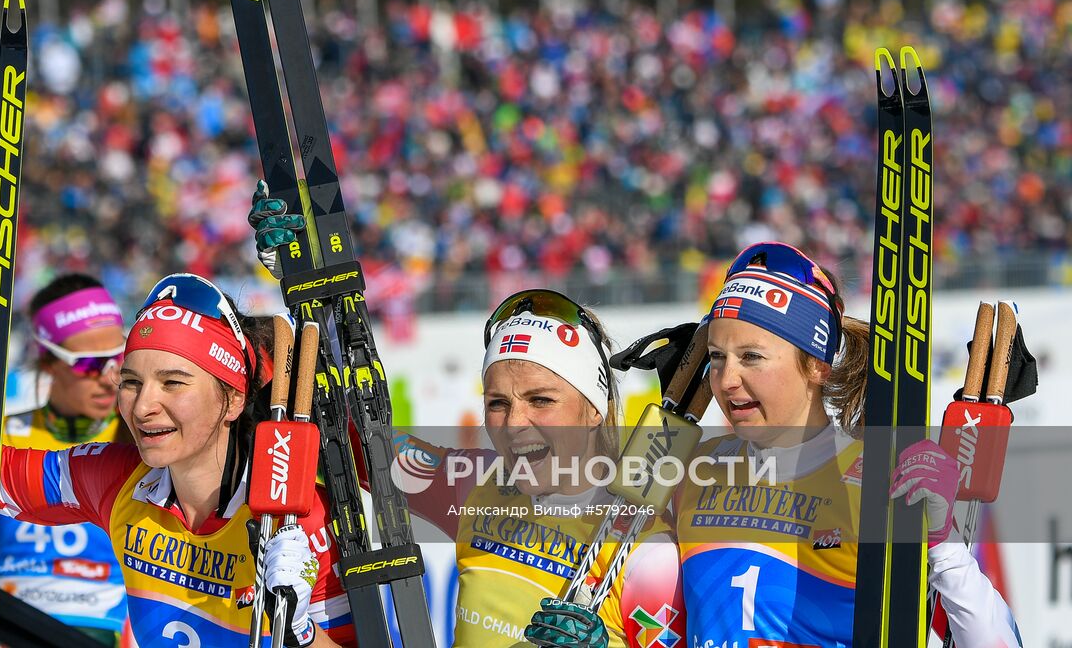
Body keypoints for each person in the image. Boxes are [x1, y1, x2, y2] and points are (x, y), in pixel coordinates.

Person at [251, 181, 682, 648]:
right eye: (498, 403)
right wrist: (306, 288)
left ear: (593, 410)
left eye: (541, 400)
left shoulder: (645, 546)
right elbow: (359, 445)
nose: (515, 424)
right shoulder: (473, 482)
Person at [0, 268, 355, 648]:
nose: (142, 406)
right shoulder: (117, 478)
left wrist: (301, 632)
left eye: (173, 383)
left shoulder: (299, 517)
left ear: (233, 398)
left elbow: (411, 481)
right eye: (131, 381)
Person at [673, 241, 1021, 647]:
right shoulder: (691, 472)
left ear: (817, 365)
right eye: (717, 357)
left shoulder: (881, 480)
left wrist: (943, 547)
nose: (726, 379)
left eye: (751, 357)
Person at [0, 264, 132, 645]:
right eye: (88, 364)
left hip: (106, 626)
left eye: (119, 358)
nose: (109, 376)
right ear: (48, 360)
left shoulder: (137, 439)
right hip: (6, 621)